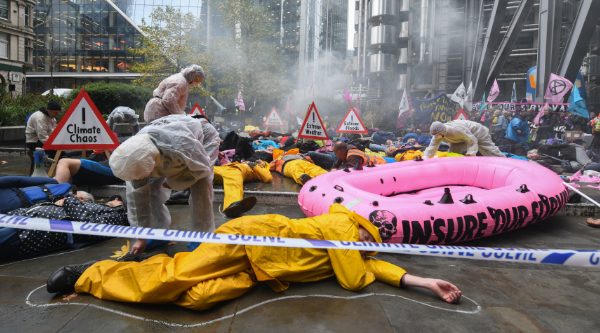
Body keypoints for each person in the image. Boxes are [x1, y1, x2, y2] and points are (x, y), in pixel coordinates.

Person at [46, 204, 462, 309]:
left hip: (264, 272)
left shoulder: (357, 249)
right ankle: (90, 274)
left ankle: (127, 270)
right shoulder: (344, 229)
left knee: (198, 299)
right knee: (173, 279)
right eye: (382, 237)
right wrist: (363, 258)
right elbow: (355, 278)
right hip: (249, 241)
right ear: (372, 230)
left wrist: (425, 282)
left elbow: (372, 268)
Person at [109, 115, 219, 255]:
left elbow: (201, 169)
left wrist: (172, 182)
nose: (140, 179)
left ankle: (203, 236)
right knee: (149, 191)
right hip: (164, 145)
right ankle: (158, 232)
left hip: (202, 139)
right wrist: (142, 237)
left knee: (201, 187)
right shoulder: (134, 154)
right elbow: (140, 200)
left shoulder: (179, 145)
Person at [0, 195, 126, 261]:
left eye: (120, 200)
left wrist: (70, 200)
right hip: (21, 217)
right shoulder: (109, 211)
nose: (115, 199)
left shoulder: (116, 216)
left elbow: (87, 226)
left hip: (28, 231)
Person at [423, 120, 505, 158]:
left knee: (488, 149)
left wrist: (471, 153)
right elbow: (432, 147)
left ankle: (503, 161)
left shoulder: (457, 130)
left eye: (437, 135)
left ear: (443, 132)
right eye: (434, 135)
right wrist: (425, 158)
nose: (436, 137)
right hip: (460, 138)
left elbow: (472, 141)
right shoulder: (437, 133)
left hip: (477, 131)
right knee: (453, 153)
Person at [25, 100, 61, 174]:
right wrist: (54, 146)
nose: (57, 114)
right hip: (33, 141)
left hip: (43, 140)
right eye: (56, 112)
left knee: (60, 151)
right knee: (55, 151)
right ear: (49, 111)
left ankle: (61, 163)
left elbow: (53, 131)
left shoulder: (52, 117)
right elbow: (42, 136)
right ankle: (61, 166)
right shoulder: (39, 118)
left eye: (58, 112)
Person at [54, 159, 123, 187]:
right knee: (58, 179)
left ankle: (58, 195)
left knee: (64, 162)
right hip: (108, 166)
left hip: (113, 170)